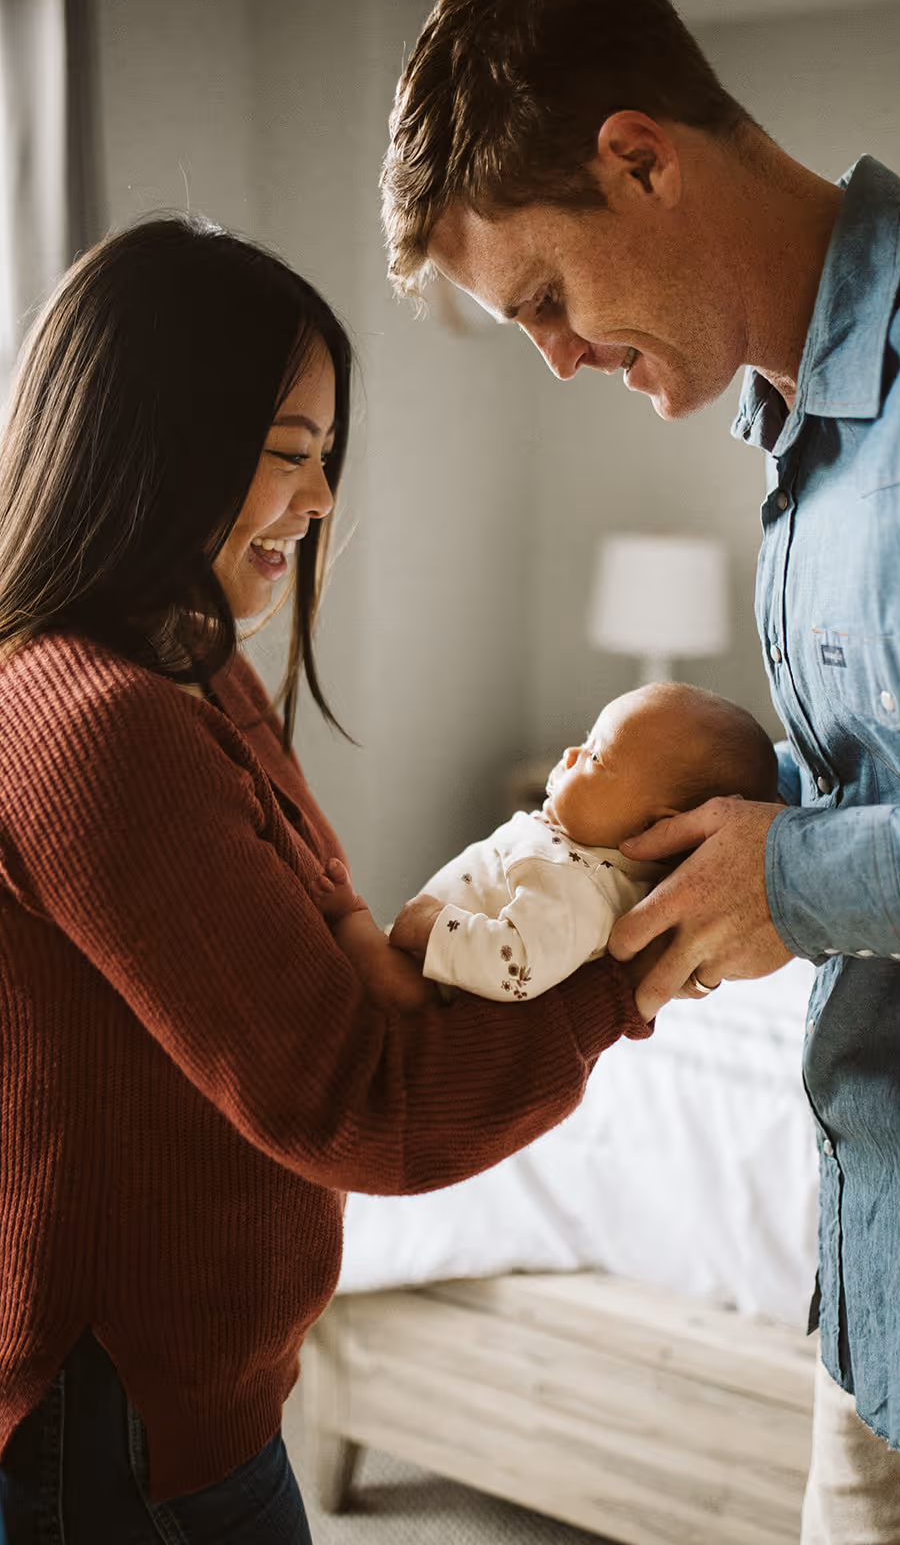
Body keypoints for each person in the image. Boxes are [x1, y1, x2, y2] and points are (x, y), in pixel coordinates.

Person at [381, 0, 900, 1541]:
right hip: (876, 1290)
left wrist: (804, 878)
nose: (554, 360)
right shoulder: (794, 450)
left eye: (548, 299)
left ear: (641, 158)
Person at [0, 216, 659, 1542]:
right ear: (159, 449)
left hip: (192, 1400)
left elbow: (342, 933)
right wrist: (637, 966)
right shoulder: (95, 725)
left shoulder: (191, 670)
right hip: (118, 1423)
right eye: (293, 458)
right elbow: (364, 1103)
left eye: (327, 461)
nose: (319, 505)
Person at [383, 683, 778, 1000]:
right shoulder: (570, 848)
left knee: (371, 968)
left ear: (657, 828)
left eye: (596, 757)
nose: (570, 753)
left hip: (425, 988)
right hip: (418, 959)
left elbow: (518, 965)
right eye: (585, 741)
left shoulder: (582, 893)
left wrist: (434, 928)